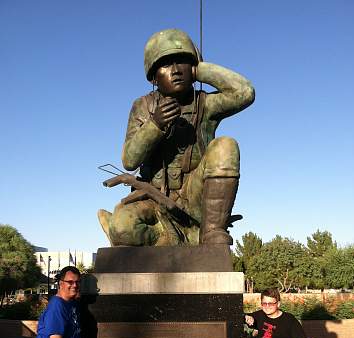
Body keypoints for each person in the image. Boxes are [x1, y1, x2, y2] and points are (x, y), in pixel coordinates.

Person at [98, 28, 255, 246]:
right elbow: (129, 161)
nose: (175, 71)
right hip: (153, 199)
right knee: (123, 227)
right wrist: (155, 125)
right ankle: (168, 238)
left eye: (182, 62)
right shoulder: (143, 106)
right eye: (165, 64)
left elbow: (245, 92)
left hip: (196, 199)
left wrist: (201, 70)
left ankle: (210, 232)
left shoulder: (205, 104)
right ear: (153, 76)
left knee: (225, 146)